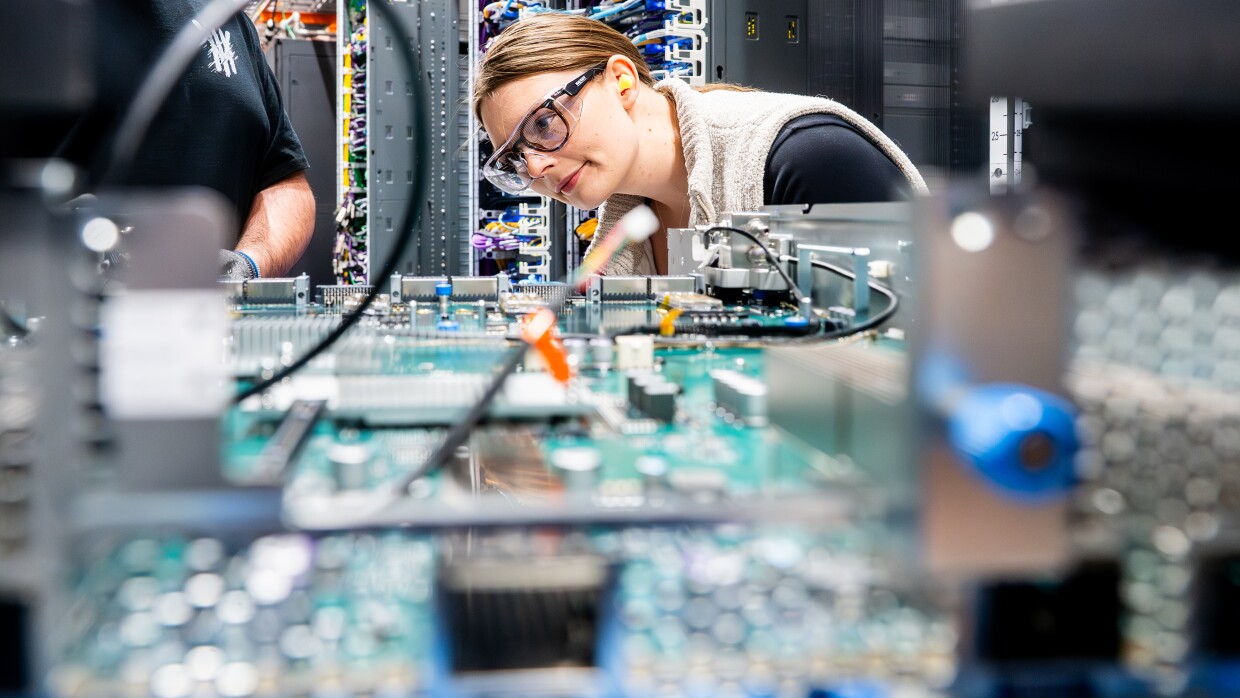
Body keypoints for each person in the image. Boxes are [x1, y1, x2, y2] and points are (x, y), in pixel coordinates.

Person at [474, 13, 927, 276]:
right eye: (514, 156)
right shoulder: (626, 234)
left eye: (544, 123)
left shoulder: (809, 156)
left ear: (621, 80)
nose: (534, 168)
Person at [58, 0, 315, 280]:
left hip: (214, 317)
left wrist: (247, 265)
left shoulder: (232, 23)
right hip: (73, 310)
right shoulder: (57, 14)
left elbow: (285, 183)